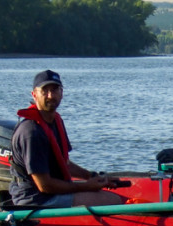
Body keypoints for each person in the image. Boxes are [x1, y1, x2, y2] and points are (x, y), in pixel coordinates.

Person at [8, 70, 125, 207]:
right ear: (34, 95)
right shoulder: (31, 132)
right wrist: (87, 187)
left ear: (61, 93)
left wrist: (92, 177)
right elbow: (44, 186)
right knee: (113, 201)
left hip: (50, 193)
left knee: (113, 198)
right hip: (35, 199)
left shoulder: (55, 121)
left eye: (55, 90)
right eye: (45, 91)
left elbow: (65, 164)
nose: (51, 96)